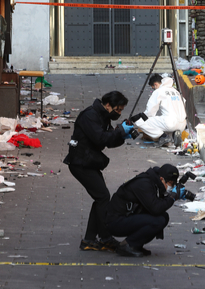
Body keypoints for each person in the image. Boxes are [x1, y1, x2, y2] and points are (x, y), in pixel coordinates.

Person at [63, 91, 133, 252]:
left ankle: (92, 239)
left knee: (101, 197)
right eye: (118, 109)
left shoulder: (104, 116)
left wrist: (122, 135)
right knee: (102, 197)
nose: (119, 113)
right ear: (108, 105)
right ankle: (103, 238)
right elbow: (100, 138)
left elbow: (108, 142)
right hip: (80, 162)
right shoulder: (90, 116)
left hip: (89, 161)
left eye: (121, 110)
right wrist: (120, 131)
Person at [105, 164, 182, 257]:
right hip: (115, 221)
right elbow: (156, 208)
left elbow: (156, 205)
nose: (172, 186)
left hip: (126, 216)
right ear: (162, 179)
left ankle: (136, 245)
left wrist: (172, 196)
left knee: (164, 217)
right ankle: (128, 245)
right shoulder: (144, 184)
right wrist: (172, 197)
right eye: (171, 183)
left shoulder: (153, 181)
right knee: (158, 220)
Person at [132, 74, 187, 147]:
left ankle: (163, 136)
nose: (154, 89)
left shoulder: (158, 91)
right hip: (182, 124)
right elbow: (184, 102)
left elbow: (150, 112)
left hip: (170, 123)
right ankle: (173, 135)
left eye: (153, 88)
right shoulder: (176, 91)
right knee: (164, 120)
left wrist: (141, 116)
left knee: (139, 121)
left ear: (155, 84)